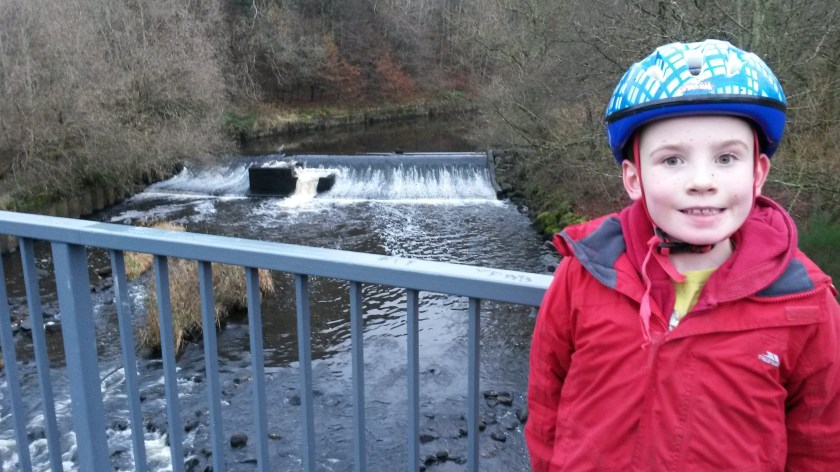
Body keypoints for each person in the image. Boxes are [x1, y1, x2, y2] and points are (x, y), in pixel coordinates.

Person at [525, 39, 840, 471]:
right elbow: (547, 398)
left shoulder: (804, 302)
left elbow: (821, 445)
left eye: (726, 158)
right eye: (672, 161)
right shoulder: (584, 272)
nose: (702, 181)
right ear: (634, 179)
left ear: (757, 173)